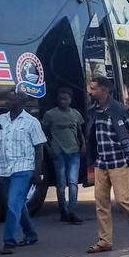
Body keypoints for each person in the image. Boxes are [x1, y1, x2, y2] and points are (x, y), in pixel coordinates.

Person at [0, 89, 46, 255]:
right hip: (5, 169)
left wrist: (37, 172)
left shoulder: (31, 122)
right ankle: (31, 234)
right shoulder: (1, 119)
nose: (7, 102)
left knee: (12, 204)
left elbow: (39, 147)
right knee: (16, 204)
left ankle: (9, 242)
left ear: (21, 102)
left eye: (12, 100)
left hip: (23, 168)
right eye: (8, 99)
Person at [85, 76, 129, 253]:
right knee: (101, 203)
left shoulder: (119, 109)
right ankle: (105, 241)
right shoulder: (94, 111)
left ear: (104, 91)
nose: (90, 91)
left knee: (122, 200)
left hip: (119, 162)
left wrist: (128, 154)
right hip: (101, 162)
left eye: (93, 88)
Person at [41, 87, 85, 224]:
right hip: (58, 152)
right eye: (60, 99)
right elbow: (42, 133)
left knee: (73, 183)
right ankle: (63, 211)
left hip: (74, 151)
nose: (63, 101)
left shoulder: (76, 114)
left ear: (70, 100)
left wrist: (83, 145)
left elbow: (79, 131)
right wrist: (48, 148)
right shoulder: (50, 114)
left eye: (65, 99)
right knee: (61, 184)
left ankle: (72, 211)